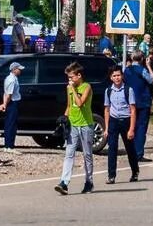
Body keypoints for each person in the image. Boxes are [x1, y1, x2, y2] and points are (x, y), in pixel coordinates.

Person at [55, 62, 94, 195]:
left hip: (86, 124)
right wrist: (64, 119)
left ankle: (89, 181)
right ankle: (64, 182)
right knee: (69, 153)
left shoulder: (86, 87)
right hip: (73, 124)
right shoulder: (69, 89)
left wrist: (72, 89)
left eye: (71, 77)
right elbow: (70, 105)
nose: (69, 80)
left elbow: (80, 103)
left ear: (79, 75)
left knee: (87, 154)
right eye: (68, 77)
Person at [102, 66, 140, 184]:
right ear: (111, 78)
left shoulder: (128, 90)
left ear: (122, 76)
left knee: (130, 148)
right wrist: (106, 128)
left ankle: (135, 171)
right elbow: (107, 109)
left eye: (118, 75)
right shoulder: (108, 91)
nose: (117, 78)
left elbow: (133, 110)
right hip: (113, 121)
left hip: (126, 120)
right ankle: (111, 175)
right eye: (114, 76)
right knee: (112, 148)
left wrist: (131, 129)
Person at [122, 52, 153, 162]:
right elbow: (151, 79)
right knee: (141, 127)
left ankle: (131, 152)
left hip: (130, 101)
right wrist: (149, 66)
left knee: (131, 126)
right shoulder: (142, 70)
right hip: (143, 101)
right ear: (142, 59)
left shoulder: (127, 70)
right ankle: (138, 153)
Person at [0, 62, 23, 153]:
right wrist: (5, 104)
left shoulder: (10, 78)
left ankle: (8, 145)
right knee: (11, 125)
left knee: (10, 124)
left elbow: (6, 93)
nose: (20, 71)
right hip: (12, 103)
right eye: (19, 69)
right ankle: (9, 146)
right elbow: (9, 94)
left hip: (12, 102)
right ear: (14, 69)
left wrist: (4, 103)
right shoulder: (12, 80)